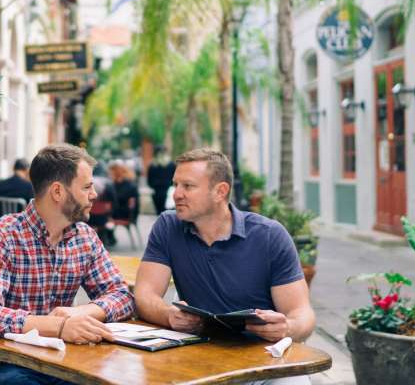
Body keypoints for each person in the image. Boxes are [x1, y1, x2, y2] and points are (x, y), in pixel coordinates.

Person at [135, 148, 315, 385]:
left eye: (187, 186)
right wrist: (168, 315)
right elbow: (144, 294)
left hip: (264, 360)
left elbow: (303, 314)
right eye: (175, 184)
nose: (176, 193)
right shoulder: (168, 227)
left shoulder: (269, 235)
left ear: (220, 191)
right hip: (197, 357)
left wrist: (287, 327)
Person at [0, 144, 135, 385]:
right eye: (86, 187)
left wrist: (80, 312)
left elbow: (122, 296)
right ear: (57, 192)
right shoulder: (0, 236)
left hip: (60, 363)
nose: (94, 194)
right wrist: (59, 326)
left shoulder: (84, 237)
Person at [146, 146, 175, 215]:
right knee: (168, 211)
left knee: (159, 212)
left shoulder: (153, 165)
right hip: (167, 189)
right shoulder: (171, 164)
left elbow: (149, 180)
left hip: (157, 190)